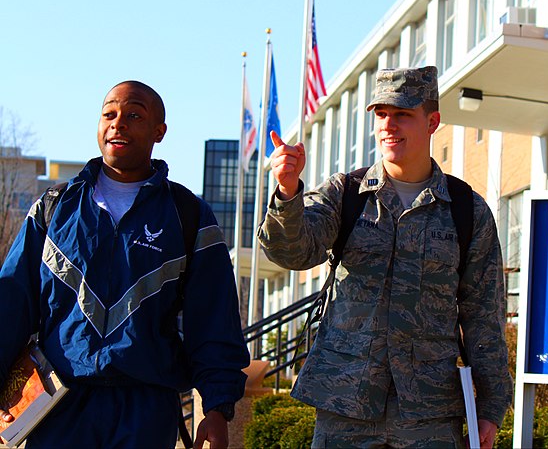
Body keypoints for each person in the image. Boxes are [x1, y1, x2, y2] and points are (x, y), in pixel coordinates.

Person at [260, 66, 512, 448]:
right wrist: (288, 192)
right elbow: (292, 251)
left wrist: (492, 405)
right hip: (344, 403)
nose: (389, 126)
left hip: (429, 412)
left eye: (403, 115)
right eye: (381, 114)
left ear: (433, 122)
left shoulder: (466, 210)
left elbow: (483, 313)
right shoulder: (345, 193)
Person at [0, 81, 249, 448]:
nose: (118, 123)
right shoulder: (54, 208)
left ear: (159, 131)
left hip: (146, 409)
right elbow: (11, 305)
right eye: (109, 114)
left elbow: (214, 320)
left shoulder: (188, 214)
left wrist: (217, 406)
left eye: (134, 115)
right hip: (59, 406)